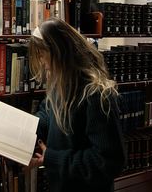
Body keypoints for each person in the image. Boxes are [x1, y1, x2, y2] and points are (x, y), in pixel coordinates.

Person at [28, 18, 126, 192]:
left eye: (43, 54)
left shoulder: (97, 95)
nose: (42, 61)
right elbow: (47, 112)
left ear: (59, 53)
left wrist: (52, 158)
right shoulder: (61, 83)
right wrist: (25, 129)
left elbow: (108, 163)